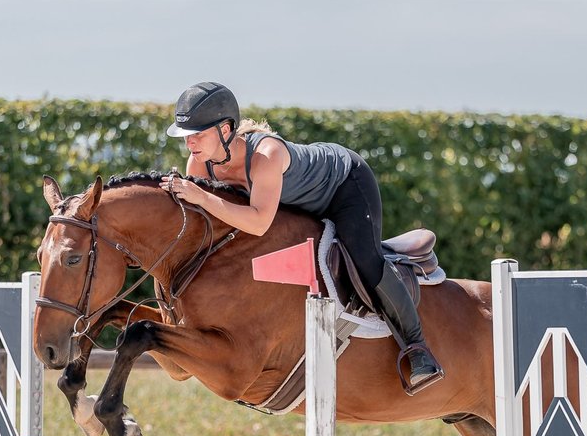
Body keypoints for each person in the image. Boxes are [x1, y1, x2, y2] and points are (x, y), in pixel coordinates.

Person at [160, 81, 444, 395]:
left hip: (345, 187)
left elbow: (257, 223)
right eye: (187, 135)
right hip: (299, 205)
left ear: (226, 130)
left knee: (365, 261)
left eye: (198, 134)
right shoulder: (199, 163)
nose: (190, 143)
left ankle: (418, 349)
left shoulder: (266, 155)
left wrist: (200, 196)